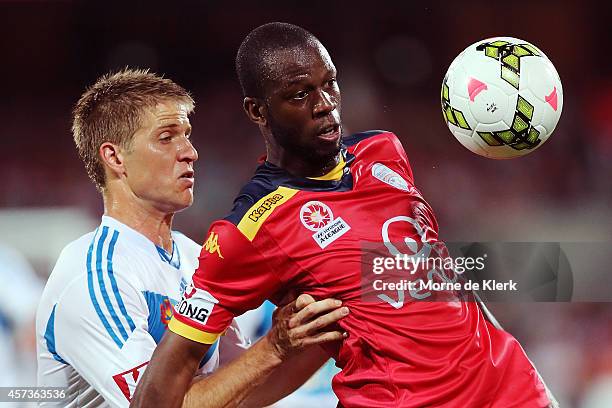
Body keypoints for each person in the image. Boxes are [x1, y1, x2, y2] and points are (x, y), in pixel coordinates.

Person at [132, 23, 557, 407]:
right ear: (257, 111)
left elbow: (440, 277)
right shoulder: (249, 229)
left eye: (330, 84)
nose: (325, 105)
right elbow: (155, 398)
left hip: (514, 392)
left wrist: (531, 382)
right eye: (300, 94)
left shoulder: (383, 151)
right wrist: (272, 349)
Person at [36, 69, 348, 408]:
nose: (190, 152)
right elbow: (157, 405)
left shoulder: (192, 257)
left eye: (186, 135)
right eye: (166, 137)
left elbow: (241, 391)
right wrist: (273, 346)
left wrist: (328, 321)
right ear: (115, 157)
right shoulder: (96, 278)